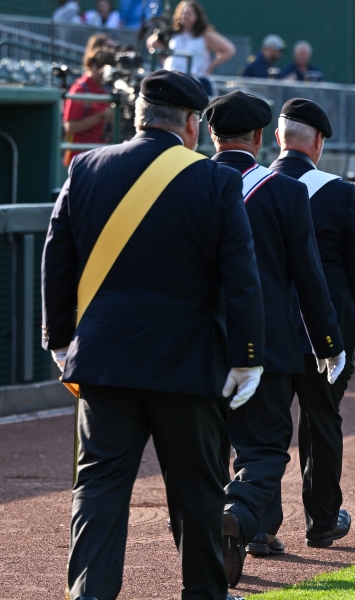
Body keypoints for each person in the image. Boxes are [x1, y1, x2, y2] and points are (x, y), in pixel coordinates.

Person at [43, 70, 262, 600]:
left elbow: (57, 254)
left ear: (138, 115)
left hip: (104, 360)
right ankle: (205, 592)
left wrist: (59, 338)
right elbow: (240, 275)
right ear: (191, 123)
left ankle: (89, 594)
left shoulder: (87, 166)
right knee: (196, 489)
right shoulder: (214, 179)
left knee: (98, 486)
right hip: (186, 365)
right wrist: (247, 356)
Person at [204, 90, 347, 587]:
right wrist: (328, 343)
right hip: (266, 346)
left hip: (196, 348)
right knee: (264, 449)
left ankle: (221, 547)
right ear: (262, 137)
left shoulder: (184, 184)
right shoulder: (284, 192)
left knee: (203, 455)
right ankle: (243, 520)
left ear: (210, 135)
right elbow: (309, 277)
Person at [246, 98, 355, 555]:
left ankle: (260, 523)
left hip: (268, 329)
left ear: (277, 137)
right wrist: (337, 311)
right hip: (328, 333)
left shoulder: (253, 187)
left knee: (266, 427)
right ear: (318, 142)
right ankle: (322, 523)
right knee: (322, 423)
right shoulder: (339, 191)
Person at [147, 1, 235, 96]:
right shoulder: (174, 33)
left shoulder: (204, 34)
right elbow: (152, 42)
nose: (186, 16)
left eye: (189, 13)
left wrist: (211, 66)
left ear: (197, 16)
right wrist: (164, 60)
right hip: (172, 79)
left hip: (195, 81)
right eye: (183, 13)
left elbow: (229, 49)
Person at [62, 48, 114, 166]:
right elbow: (70, 127)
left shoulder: (105, 91)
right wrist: (101, 116)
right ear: (93, 66)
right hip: (79, 160)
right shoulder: (79, 89)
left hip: (99, 157)